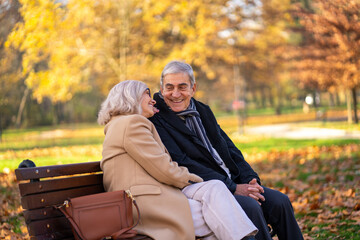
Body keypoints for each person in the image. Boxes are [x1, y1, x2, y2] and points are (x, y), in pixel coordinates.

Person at [149, 61, 304, 240]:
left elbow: (229, 148)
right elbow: (183, 162)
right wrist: (234, 188)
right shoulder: (157, 119)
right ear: (161, 88)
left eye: (182, 87)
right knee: (249, 206)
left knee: (280, 201)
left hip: (233, 181)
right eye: (169, 87)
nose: (175, 94)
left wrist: (250, 180)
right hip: (206, 190)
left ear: (193, 88)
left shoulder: (202, 110)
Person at [98, 80, 258, 240]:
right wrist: (195, 180)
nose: (152, 99)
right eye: (146, 93)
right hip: (144, 204)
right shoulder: (132, 123)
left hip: (150, 196)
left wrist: (198, 181)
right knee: (219, 215)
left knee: (215, 190)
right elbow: (163, 169)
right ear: (131, 98)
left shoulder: (120, 124)